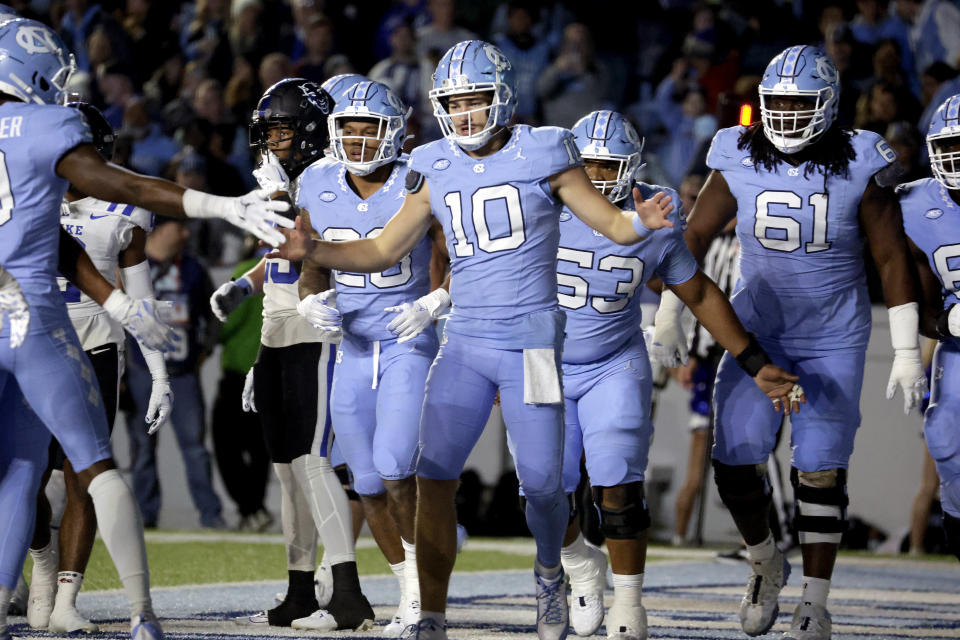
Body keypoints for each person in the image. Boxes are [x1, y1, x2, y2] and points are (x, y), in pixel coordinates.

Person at [270, 39, 801, 640]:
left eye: (476, 101)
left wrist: (638, 224)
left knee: (546, 488)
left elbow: (610, 222)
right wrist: (313, 250)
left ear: (503, 99)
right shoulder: (433, 161)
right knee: (433, 474)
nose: (465, 115)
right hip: (464, 343)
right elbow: (383, 248)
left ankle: (554, 566)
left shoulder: (545, 148)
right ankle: (431, 615)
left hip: (532, 346)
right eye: (454, 102)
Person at [0, 17, 293, 640]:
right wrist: (220, 204)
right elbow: (124, 187)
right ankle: (141, 615)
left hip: (57, 322)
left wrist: (120, 307)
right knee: (87, 466)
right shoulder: (44, 130)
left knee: (24, 470)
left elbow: (56, 241)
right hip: (35, 327)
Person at [653, 45, 926, 639]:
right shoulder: (737, 149)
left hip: (833, 333)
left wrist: (905, 349)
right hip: (757, 330)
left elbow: (889, 256)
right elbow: (696, 233)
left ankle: (817, 600)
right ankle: (764, 563)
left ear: (827, 106)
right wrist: (671, 310)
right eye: (776, 104)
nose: (786, 115)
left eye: (800, 104)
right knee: (734, 458)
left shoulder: (861, 158)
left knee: (821, 470)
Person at [210, 78, 375, 631]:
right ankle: (300, 590)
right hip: (278, 331)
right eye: (267, 132)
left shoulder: (331, 181)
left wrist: (283, 196)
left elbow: (317, 250)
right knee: (285, 471)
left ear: (307, 132)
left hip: (317, 330)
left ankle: (347, 591)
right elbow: (280, 257)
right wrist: (246, 287)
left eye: (280, 130)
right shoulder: (287, 180)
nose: (271, 142)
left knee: (313, 461)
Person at [295, 79, 447, 636]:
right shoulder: (316, 181)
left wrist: (437, 300)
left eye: (370, 129)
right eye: (349, 129)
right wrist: (312, 299)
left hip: (407, 337)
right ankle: (409, 589)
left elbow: (458, 251)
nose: (358, 140)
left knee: (396, 466)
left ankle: (424, 599)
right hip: (352, 346)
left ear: (396, 131)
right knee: (365, 482)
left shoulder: (419, 176)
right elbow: (310, 257)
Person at [23, 102, 173, 635]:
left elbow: (142, 299)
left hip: (95, 347)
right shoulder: (24, 193)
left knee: (82, 476)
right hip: (32, 341)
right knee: (25, 477)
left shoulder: (123, 212)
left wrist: (158, 371)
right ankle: (40, 564)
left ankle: (66, 596)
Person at [125, 215, 224, 530]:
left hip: (183, 374)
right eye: (179, 227)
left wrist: (204, 350)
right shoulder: (131, 267)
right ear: (161, 229)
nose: (184, 234)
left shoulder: (193, 268)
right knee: (142, 447)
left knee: (195, 448)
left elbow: (214, 313)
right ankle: (146, 515)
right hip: (141, 371)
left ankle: (211, 515)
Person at [898, 93, 960, 563]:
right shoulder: (916, 203)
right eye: (951, 145)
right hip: (957, 346)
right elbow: (912, 296)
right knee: (944, 439)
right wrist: (942, 320)